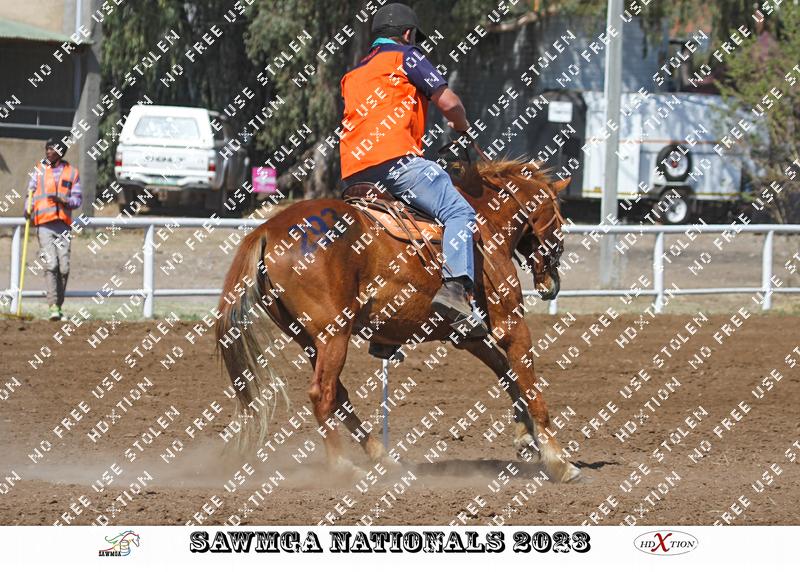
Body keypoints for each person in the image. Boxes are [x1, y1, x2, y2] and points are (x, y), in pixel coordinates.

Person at [339, 2, 487, 338]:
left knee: (407, 230)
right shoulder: (407, 56)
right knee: (459, 212)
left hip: (354, 173)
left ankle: (388, 336)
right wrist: (461, 126)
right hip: (396, 163)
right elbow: (450, 103)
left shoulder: (352, 74)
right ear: (408, 34)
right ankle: (456, 291)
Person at [24, 138, 82, 321]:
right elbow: (30, 192)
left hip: (63, 226)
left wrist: (64, 200)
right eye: (47, 149)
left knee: (64, 268)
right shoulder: (39, 169)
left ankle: (59, 305)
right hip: (44, 225)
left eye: (52, 149)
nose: (48, 152)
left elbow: (77, 200)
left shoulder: (72, 173)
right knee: (51, 265)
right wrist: (27, 207)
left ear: (61, 152)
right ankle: (53, 307)